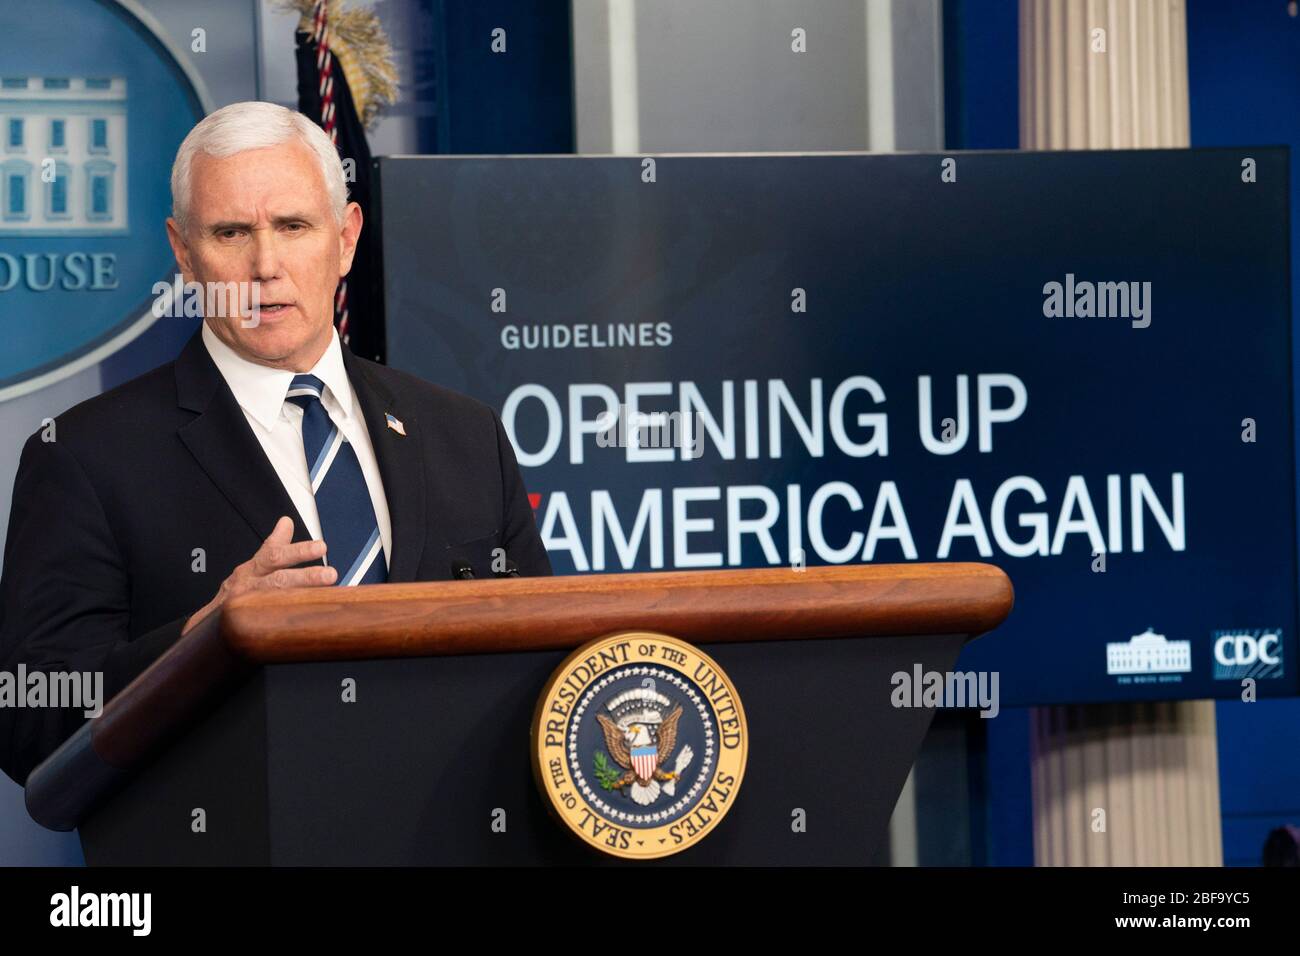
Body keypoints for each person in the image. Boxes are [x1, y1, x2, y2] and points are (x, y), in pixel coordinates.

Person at [0, 101, 550, 786]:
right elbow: (30, 723)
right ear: (183, 254)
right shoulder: (85, 456)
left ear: (346, 238)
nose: (265, 265)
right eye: (231, 232)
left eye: (293, 226)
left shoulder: (465, 435)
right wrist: (204, 637)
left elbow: (540, 665)